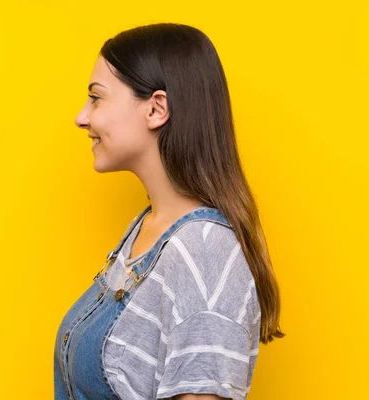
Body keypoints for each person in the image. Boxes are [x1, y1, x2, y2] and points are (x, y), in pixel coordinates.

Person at [54, 22, 285, 400]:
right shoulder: (145, 230)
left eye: (96, 98)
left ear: (156, 108)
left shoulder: (205, 252)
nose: (82, 117)